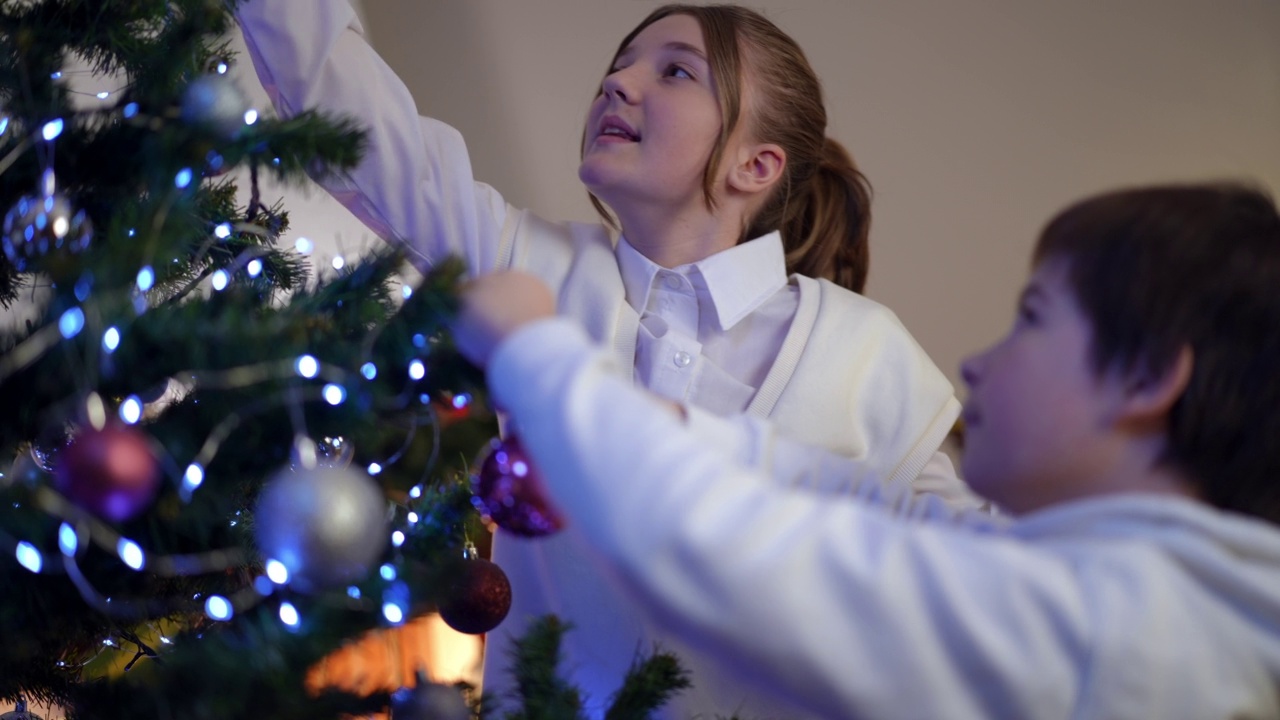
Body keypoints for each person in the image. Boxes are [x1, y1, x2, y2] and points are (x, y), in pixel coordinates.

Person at [235, 2, 980, 715]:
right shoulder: (524, 263)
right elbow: (342, 108)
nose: (617, 83)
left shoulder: (869, 354)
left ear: (757, 166)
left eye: (676, 72)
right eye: (620, 65)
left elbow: (988, 595)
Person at [453, 182, 1280, 719]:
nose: (975, 363)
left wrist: (533, 349)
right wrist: (675, 423)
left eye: (1032, 316)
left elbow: (732, 550)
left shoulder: (1121, 638)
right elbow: (873, 507)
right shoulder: (1125, 589)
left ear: (1148, 381)